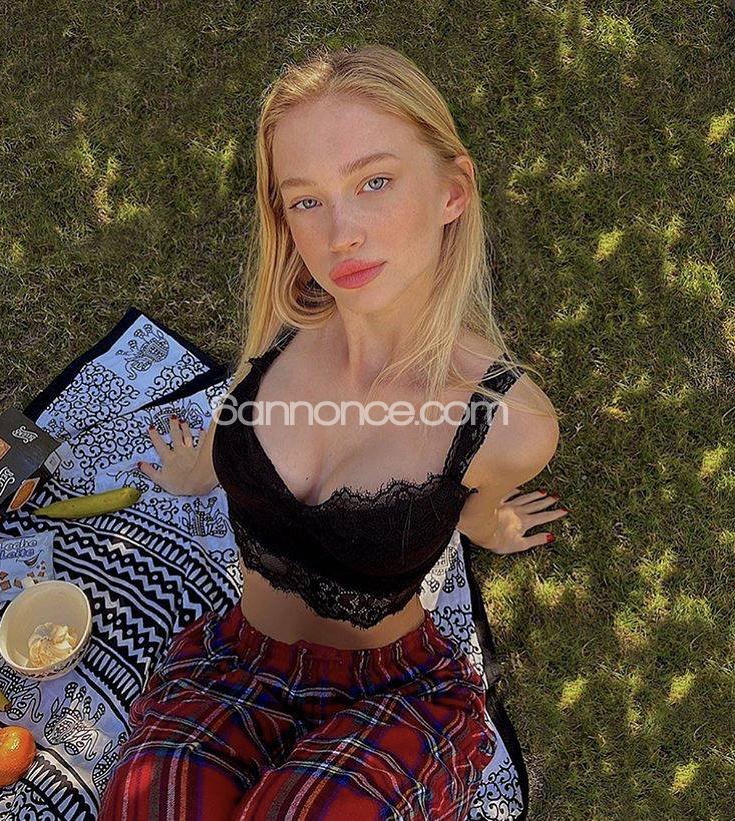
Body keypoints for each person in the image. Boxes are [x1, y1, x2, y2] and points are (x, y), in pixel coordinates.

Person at [99, 43, 568, 820]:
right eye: (305, 200)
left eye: (374, 182)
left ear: (452, 192)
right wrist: (204, 467)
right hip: (233, 664)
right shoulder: (289, 318)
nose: (338, 233)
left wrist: (492, 525)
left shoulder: (508, 422)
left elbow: (476, 502)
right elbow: (240, 408)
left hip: (392, 693)